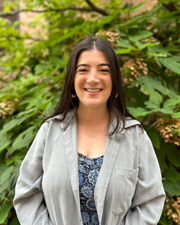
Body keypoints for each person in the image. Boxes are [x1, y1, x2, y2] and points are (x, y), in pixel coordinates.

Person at [13, 37, 165, 225]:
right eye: (83, 70)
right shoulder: (49, 132)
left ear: (115, 80)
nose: (93, 78)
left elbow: (151, 201)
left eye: (103, 70)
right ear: (72, 80)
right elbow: (26, 195)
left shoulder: (135, 137)